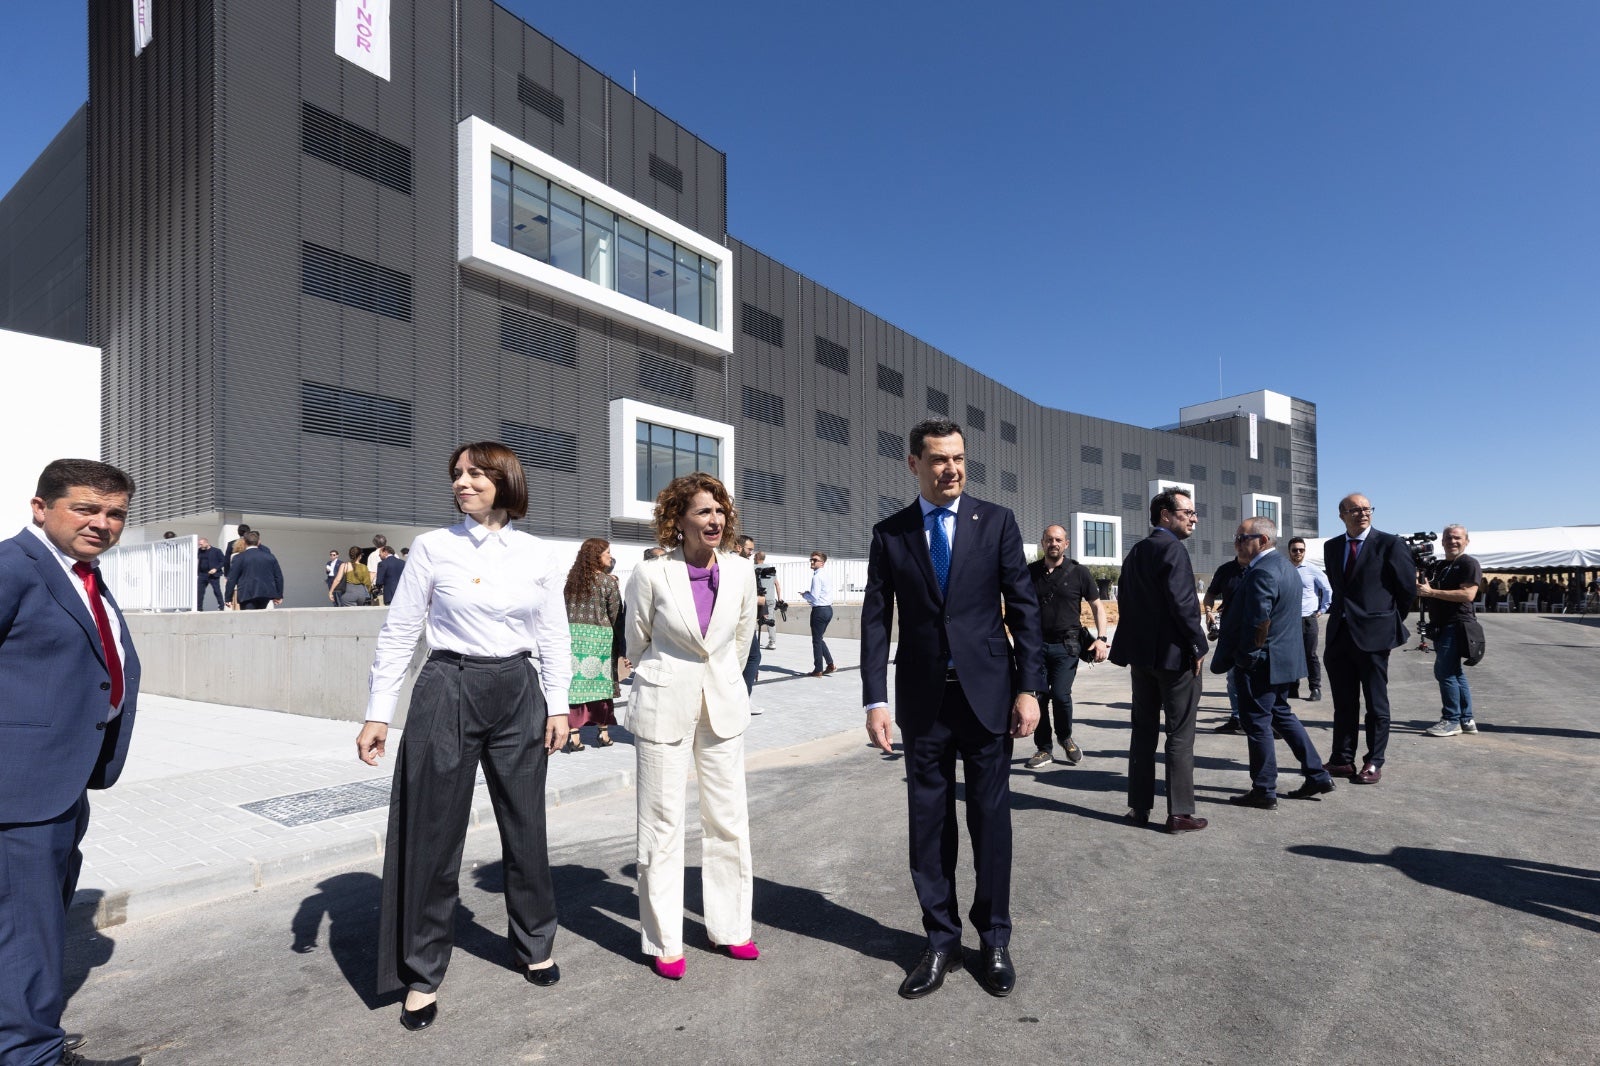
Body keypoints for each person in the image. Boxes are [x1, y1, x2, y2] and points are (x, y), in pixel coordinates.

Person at [356, 442, 572, 1031]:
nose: (463, 482)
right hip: (447, 685)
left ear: (506, 480)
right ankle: (422, 973)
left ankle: (535, 942)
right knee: (432, 831)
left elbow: (553, 633)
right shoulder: (432, 548)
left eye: (476, 473)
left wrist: (559, 704)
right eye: (457, 474)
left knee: (526, 826)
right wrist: (379, 712)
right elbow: (400, 631)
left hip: (519, 690)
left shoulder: (537, 553)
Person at [861, 418, 1044, 1000]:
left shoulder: (996, 523)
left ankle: (993, 939)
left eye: (959, 458)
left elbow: (1023, 610)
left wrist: (1028, 688)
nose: (952, 469)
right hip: (922, 701)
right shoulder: (891, 534)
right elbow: (874, 620)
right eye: (939, 459)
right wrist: (874, 700)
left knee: (991, 822)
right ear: (913, 463)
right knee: (929, 826)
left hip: (988, 695)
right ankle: (940, 941)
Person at [0, 459, 145, 1066]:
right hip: (21, 787)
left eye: (114, 513)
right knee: (27, 932)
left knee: (29, 926)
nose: (102, 523)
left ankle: (21, 1032)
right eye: (86, 508)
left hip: (60, 780)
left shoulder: (79, 572)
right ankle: (30, 1053)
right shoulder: (13, 567)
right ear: (41, 508)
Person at [624, 472, 760, 980]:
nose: (715, 519)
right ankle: (664, 940)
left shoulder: (742, 572)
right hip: (664, 703)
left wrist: (721, 679)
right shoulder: (652, 574)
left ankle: (731, 927)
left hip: (722, 704)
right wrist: (667, 672)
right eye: (703, 511)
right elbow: (635, 641)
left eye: (720, 510)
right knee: (661, 823)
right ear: (677, 520)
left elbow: (741, 640)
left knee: (728, 819)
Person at [1212, 518, 1337, 810]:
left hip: (1263, 663)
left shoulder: (1263, 572)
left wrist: (1246, 660)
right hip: (1281, 662)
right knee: (1281, 714)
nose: (1238, 542)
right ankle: (1317, 774)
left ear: (1264, 541)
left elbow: (1259, 621)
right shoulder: (1285, 568)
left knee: (1257, 724)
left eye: (1244, 537)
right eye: (1237, 536)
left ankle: (1264, 789)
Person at [1107, 490, 1209, 834]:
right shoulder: (1172, 549)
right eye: (1188, 512)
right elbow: (1183, 605)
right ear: (1165, 515)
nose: (1194, 518)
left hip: (1142, 659)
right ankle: (1180, 812)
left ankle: (1138, 808)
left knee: (1143, 732)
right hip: (1174, 658)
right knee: (1180, 734)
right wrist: (1198, 645)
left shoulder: (1137, 551)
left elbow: (1132, 604)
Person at [1323, 493, 1417, 785]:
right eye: (1355, 510)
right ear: (1342, 515)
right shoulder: (1332, 546)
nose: (1362, 514)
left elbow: (1406, 591)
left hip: (1374, 636)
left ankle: (1374, 761)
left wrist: (1387, 622)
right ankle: (1342, 759)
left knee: (1376, 703)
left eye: (1367, 509)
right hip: (1339, 635)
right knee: (1344, 702)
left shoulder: (1390, 544)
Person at [1024, 524, 1107, 768]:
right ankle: (1043, 749)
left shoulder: (1079, 572)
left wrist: (1101, 639)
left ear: (1066, 544)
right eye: (1049, 540)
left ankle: (1065, 737)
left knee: (1060, 695)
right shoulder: (1029, 572)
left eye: (1058, 540)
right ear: (1042, 543)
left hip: (1066, 645)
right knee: (1039, 697)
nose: (1054, 544)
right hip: (1035, 646)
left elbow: (1097, 606)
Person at [1419, 525, 1483, 737]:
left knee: (1445, 672)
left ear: (1466, 541)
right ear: (1442, 541)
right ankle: (1466, 719)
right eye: (1448, 538)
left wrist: (1432, 592)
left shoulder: (1468, 563)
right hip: (1441, 624)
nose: (1452, 542)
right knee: (1455, 672)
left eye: (1457, 538)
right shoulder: (1438, 565)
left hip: (1457, 624)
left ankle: (1451, 719)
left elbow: (1468, 595)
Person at [563, 538, 625, 751]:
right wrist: (622, 645)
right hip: (600, 639)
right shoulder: (607, 582)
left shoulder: (571, 582)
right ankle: (603, 734)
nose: (610, 556)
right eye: (607, 552)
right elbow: (616, 614)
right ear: (595, 557)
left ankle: (574, 737)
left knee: (576, 687)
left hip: (574, 638)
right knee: (601, 687)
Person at [1204, 550, 1247, 733]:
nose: (1241, 544)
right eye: (1238, 540)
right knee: (1233, 677)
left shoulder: (1262, 567)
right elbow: (1210, 595)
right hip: (1231, 633)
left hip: (1258, 632)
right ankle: (1237, 718)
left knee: (1258, 677)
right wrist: (1208, 612)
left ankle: (1266, 719)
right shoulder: (1225, 570)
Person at [1286, 537, 1332, 701]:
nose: (1298, 552)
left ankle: (1315, 688)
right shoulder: (1283, 569)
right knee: (1291, 654)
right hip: (1288, 620)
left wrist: (1322, 609)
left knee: (1310, 654)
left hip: (1308, 618)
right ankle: (1292, 688)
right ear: (1289, 551)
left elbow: (1327, 590)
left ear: (1305, 551)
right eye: (1294, 550)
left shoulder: (1313, 569)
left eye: (1301, 550)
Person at [734, 536, 764, 713]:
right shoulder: (738, 565)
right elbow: (737, 593)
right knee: (752, 657)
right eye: (748, 549)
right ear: (738, 547)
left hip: (741, 619)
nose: (751, 553)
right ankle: (743, 699)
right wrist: (757, 600)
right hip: (740, 620)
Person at [228, 531, 284, 609]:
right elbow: (278, 577)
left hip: (246, 593)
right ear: (258, 542)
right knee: (261, 617)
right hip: (265, 593)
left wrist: (228, 597)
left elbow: (232, 579)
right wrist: (279, 595)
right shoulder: (269, 556)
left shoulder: (239, 558)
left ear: (244, 542)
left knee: (248, 619)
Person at [802, 550, 835, 677]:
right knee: (819, 638)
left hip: (820, 611)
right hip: (828, 609)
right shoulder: (825, 575)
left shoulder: (817, 576)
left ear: (822, 563)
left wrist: (805, 595)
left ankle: (818, 670)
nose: (812, 561)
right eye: (811, 559)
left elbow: (814, 597)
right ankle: (830, 664)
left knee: (816, 641)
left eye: (815, 560)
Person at [752, 550, 781, 650]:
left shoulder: (753, 568)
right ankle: (772, 642)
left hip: (758, 598)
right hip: (770, 598)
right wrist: (780, 598)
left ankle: (752, 642)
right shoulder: (771, 569)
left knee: (753, 619)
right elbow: (777, 584)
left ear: (756, 557)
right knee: (770, 619)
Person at [197, 536, 225, 610]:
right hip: (202, 574)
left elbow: (223, 561)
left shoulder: (216, 551)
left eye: (201, 544)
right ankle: (199, 608)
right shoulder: (199, 551)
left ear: (207, 543)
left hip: (213, 575)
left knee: (217, 590)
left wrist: (216, 569)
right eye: (199, 544)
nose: (200, 546)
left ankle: (221, 607)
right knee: (199, 592)